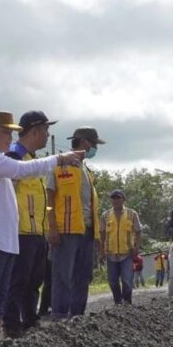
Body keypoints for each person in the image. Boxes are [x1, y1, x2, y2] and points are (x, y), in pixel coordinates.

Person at [0, 111, 81, 345]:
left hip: (5, 239)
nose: (10, 137)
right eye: (6, 132)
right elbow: (22, 170)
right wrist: (59, 159)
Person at [2, 111, 56, 338]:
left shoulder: (33, 161)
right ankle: (11, 324)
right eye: (46, 131)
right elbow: (8, 194)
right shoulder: (14, 157)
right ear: (34, 131)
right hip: (20, 231)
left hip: (36, 231)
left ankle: (30, 319)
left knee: (34, 280)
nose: (47, 135)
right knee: (18, 280)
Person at [47, 127, 103, 319]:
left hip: (87, 230)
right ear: (85, 142)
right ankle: (60, 315)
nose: (95, 148)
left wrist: (96, 234)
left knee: (83, 276)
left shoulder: (86, 170)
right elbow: (49, 199)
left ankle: (78, 316)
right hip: (66, 230)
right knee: (63, 275)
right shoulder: (58, 164)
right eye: (94, 144)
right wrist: (52, 227)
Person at [100, 189, 142, 305]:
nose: (115, 200)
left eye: (118, 198)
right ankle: (118, 302)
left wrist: (136, 247)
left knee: (127, 281)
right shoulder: (105, 215)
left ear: (123, 199)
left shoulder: (132, 214)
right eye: (113, 198)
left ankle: (127, 303)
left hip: (127, 253)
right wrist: (101, 251)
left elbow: (138, 231)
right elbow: (102, 234)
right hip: (111, 253)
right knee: (112, 281)